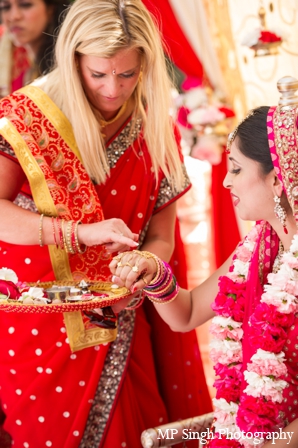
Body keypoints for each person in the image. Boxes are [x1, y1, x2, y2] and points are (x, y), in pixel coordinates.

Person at [0, 0, 212, 446]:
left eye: (127, 74)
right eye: (98, 74)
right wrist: (78, 234)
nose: (113, 89)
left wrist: (144, 270)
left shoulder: (155, 124)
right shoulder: (28, 115)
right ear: (73, 58)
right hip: (41, 314)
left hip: (122, 314)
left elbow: (159, 235)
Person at [110, 77, 298, 447]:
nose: (226, 181)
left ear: (276, 180)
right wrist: (153, 273)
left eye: (237, 169)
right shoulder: (260, 248)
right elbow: (188, 312)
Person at [0, 0, 71, 97]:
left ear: (50, 9)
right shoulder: (9, 52)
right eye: (5, 7)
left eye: (25, 5)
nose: (14, 17)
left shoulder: (69, 64)